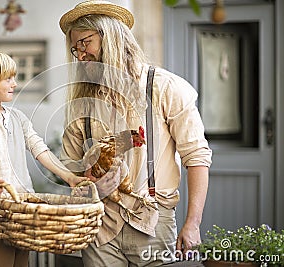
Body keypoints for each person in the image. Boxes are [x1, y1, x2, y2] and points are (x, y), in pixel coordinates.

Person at [58, 1, 212, 266]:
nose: (80, 55)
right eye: (75, 48)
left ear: (111, 37)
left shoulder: (164, 87)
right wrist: (88, 186)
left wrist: (193, 223)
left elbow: (196, 156)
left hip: (153, 220)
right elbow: (69, 169)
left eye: (85, 43)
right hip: (100, 226)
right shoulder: (82, 103)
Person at [0, 49, 87, 267]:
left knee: (22, 263)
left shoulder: (17, 117)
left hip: (22, 206)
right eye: (8, 78)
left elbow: (39, 149)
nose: (14, 83)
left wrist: (68, 176)